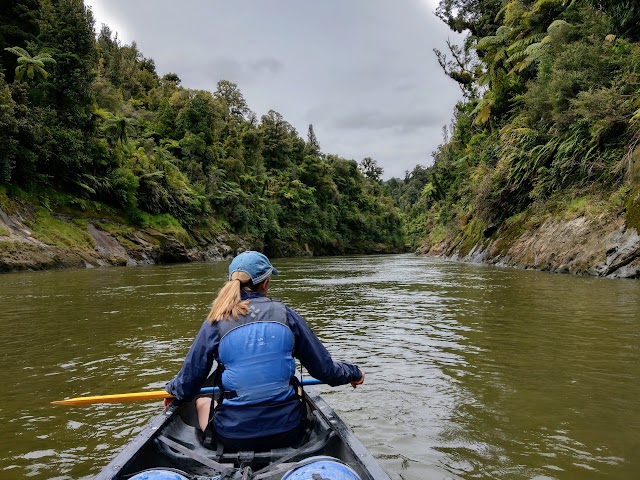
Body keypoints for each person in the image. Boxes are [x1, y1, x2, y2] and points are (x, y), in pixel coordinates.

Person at [164, 251, 365, 452]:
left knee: (202, 401)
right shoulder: (286, 315)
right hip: (288, 431)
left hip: (233, 436)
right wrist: (354, 372)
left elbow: (188, 383)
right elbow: (326, 371)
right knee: (298, 390)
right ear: (265, 283)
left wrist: (173, 391)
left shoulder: (216, 321)